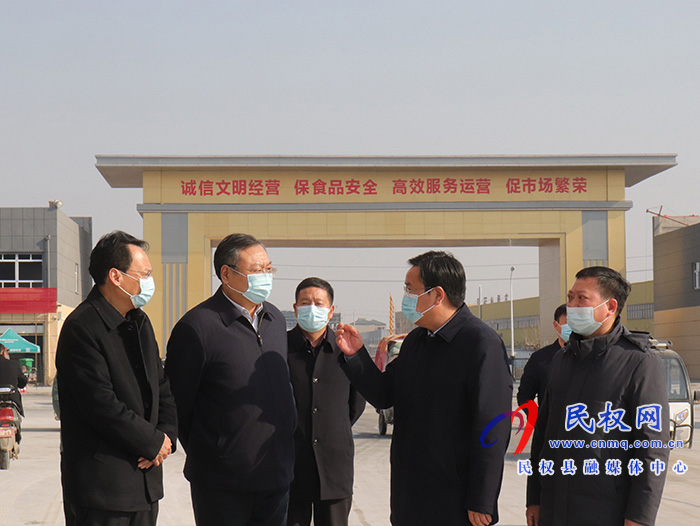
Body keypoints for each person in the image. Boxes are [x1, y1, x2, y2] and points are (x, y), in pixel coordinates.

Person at [336, 250, 513, 526]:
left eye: (410, 289)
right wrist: (356, 356)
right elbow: (385, 393)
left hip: (455, 499)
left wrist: (482, 498)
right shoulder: (416, 342)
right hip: (410, 493)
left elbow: (492, 427)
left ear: (437, 295)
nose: (406, 297)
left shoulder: (480, 343)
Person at [165, 233, 296, 526]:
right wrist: (216, 451)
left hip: (275, 477)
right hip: (221, 485)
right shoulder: (198, 327)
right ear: (226, 274)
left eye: (269, 269)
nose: (266, 277)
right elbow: (178, 404)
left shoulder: (275, 319)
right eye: (257, 270)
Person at [526, 267, 670, 526]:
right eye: (570, 298)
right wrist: (534, 498)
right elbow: (543, 435)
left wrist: (640, 517)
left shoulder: (639, 363)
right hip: (554, 508)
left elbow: (652, 448)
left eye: (582, 298)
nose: (572, 306)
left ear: (610, 307)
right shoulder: (561, 360)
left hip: (605, 511)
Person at [55, 231, 177, 526]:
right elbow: (101, 404)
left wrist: (166, 438)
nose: (149, 282)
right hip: (102, 488)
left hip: (146, 482)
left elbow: (162, 387)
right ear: (116, 276)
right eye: (144, 274)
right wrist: (150, 442)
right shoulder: (82, 327)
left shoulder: (140, 322)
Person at [287, 277, 366, 526]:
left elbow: (356, 404)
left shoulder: (346, 350)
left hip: (334, 466)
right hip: (290, 466)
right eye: (305, 302)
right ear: (295, 308)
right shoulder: (279, 349)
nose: (312, 308)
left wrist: (329, 426)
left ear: (331, 310)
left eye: (319, 303)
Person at [516, 304, 569, 407]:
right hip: (552, 417)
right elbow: (525, 396)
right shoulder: (540, 359)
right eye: (569, 324)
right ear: (556, 325)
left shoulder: (592, 356)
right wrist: (538, 416)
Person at [0, 343, 28, 439]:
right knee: (16, 420)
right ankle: (17, 436)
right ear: (3, 352)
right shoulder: (14, 364)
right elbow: (22, 382)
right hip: (12, 400)